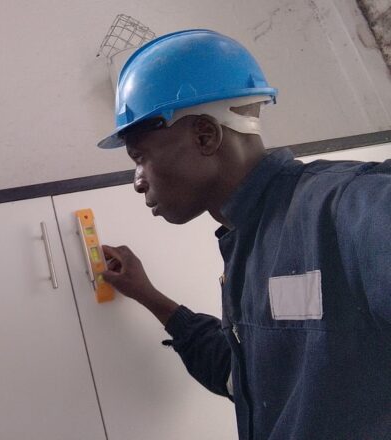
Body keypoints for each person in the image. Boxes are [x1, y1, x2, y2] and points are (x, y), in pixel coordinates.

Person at [96, 29, 391, 440]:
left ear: (205, 135)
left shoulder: (346, 205)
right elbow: (246, 379)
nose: (138, 181)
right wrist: (148, 295)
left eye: (140, 157)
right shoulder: (247, 247)